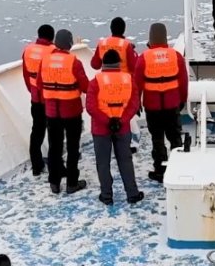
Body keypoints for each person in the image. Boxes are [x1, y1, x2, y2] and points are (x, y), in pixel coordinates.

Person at [87, 49, 144, 205]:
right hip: (122, 127)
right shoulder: (129, 79)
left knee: (103, 162)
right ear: (119, 63)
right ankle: (132, 194)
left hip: (100, 129)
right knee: (125, 160)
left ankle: (106, 196)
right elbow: (134, 104)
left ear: (103, 64)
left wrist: (107, 121)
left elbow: (91, 107)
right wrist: (121, 120)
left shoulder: (95, 81)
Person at [36, 29, 90, 194]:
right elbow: (85, 86)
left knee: (54, 146)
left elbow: (39, 84)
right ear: (69, 43)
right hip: (71, 111)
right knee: (73, 147)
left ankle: (54, 182)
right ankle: (72, 183)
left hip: (52, 111)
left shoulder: (45, 61)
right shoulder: (74, 62)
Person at [134, 22, 189, 182]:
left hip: (152, 107)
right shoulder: (176, 56)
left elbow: (137, 84)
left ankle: (160, 170)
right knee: (175, 138)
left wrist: (137, 103)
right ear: (165, 37)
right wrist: (182, 100)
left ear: (150, 38)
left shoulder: (143, 58)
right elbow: (183, 82)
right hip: (172, 105)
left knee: (157, 139)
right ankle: (178, 168)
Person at [22, 25, 56, 177]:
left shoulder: (28, 51)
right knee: (54, 131)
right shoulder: (53, 52)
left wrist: (32, 90)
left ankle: (36, 166)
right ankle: (56, 163)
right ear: (52, 37)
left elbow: (25, 74)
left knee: (37, 131)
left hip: (35, 97)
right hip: (50, 98)